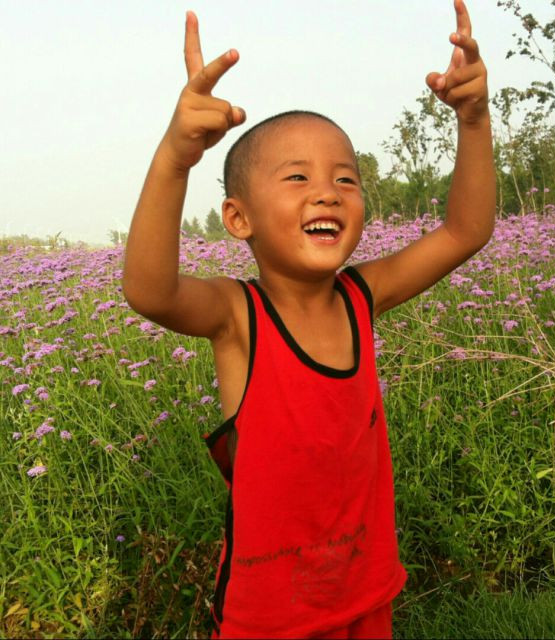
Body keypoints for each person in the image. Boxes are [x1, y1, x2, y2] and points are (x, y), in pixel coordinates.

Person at [122, 0, 495, 637]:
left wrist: (475, 119)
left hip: (366, 591)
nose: (327, 192)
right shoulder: (238, 317)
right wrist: (175, 159)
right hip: (269, 616)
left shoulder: (361, 297)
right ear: (238, 218)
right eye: (297, 176)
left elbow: (466, 230)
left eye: (347, 179)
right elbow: (149, 292)